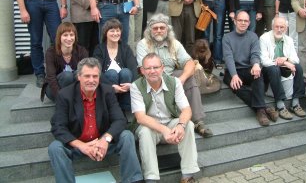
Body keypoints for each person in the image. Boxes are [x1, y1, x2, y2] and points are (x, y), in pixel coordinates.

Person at [48, 57, 143, 183]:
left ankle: (133, 181)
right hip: (78, 145)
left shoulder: (107, 91)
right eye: (87, 76)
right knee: (55, 147)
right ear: (79, 77)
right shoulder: (65, 95)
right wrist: (82, 146)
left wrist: (105, 139)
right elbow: (58, 127)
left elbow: (120, 120)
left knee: (127, 136)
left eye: (95, 76)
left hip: (103, 143)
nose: (91, 80)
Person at [136, 13, 212, 137]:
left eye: (162, 27)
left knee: (188, 77)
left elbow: (189, 63)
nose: (159, 31)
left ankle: (198, 121)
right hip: (152, 79)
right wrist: (168, 81)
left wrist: (181, 79)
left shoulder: (174, 43)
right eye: (155, 28)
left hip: (171, 77)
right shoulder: (143, 44)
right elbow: (142, 70)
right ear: (150, 31)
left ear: (167, 29)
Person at [130, 53, 200, 183]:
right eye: (148, 68)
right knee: (145, 131)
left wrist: (180, 125)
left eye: (156, 67)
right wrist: (163, 130)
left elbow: (186, 109)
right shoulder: (136, 86)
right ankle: (151, 178)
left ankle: (187, 176)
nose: (152, 71)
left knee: (189, 125)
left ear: (162, 68)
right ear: (142, 71)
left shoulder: (175, 82)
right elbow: (140, 118)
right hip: (150, 128)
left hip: (170, 124)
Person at [223, 11, 278, 126]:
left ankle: (260, 110)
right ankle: (263, 109)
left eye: (246, 21)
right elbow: (228, 58)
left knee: (258, 74)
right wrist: (234, 75)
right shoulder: (227, 38)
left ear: (249, 23)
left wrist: (256, 64)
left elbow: (255, 54)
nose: (243, 23)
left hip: (248, 68)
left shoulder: (253, 36)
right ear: (235, 21)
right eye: (240, 20)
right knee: (235, 84)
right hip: (233, 71)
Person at [260, 17, 306, 120]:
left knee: (298, 67)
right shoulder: (264, 38)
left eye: (282, 27)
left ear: (286, 28)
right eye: (277, 26)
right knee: (274, 68)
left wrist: (287, 59)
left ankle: (295, 103)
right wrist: (285, 62)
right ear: (272, 27)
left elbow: (296, 59)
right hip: (268, 70)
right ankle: (280, 104)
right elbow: (264, 61)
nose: (279, 29)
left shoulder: (288, 40)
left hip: (282, 69)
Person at [93, 18, 138, 111]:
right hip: (108, 86)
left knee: (126, 72)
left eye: (118, 30)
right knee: (111, 73)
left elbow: (133, 68)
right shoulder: (99, 49)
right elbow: (96, 71)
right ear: (106, 33)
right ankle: (112, 108)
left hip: (125, 86)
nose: (115, 33)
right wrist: (111, 86)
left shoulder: (125, 48)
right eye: (112, 31)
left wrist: (132, 85)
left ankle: (125, 109)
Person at [41, 22, 88, 102]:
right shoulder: (51, 52)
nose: (69, 38)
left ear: (75, 37)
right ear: (59, 37)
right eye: (65, 35)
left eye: (71, 35)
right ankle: (66, 102)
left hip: (74, 89)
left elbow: (85, 74)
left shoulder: (81, 51)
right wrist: (60, 97)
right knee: (67, 76)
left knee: (79, 72)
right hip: (53, 89)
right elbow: (51, 77)